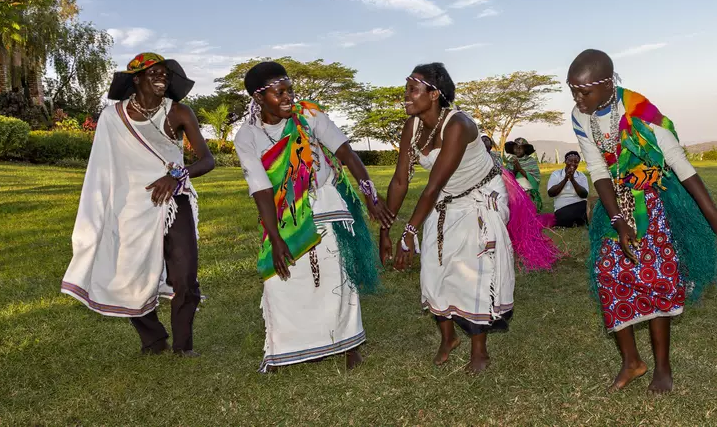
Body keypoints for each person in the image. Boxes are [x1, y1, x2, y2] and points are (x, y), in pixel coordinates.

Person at [567, 49, 717, 394]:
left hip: (653, 202)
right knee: (608, 274)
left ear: (608, 84)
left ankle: (662, 367)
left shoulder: (642, 112)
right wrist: (618, 221)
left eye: (584, 90)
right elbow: (599, 169)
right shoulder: (581, 115)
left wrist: (712, 215)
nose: (577, 98)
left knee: (657, 278)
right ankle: (632, 362)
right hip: (614, 204)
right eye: (572, 90)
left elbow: (678, 162)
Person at [233, 61, 394, 373]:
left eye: (289, 90)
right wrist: (276, 239)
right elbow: (261, 189)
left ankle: (349, 345)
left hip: (326, 205)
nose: (287, 97)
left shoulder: (308, 115)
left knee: (338, 275)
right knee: (281, 283)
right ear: (258, 98)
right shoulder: (248, 136)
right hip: (284, 215)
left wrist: (370, 195)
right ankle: (286, 348)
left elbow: (347, 154)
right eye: (279, 92)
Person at [62, 52, 214, 357]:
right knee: (127, 274)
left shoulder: (180, 112)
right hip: (129, 206)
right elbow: (103, 167)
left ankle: (183, 347)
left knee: (185, 275)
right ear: (136, 79)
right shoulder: (112, 117)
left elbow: (207, 160)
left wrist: (175, 176)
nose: (161, 78)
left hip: (174, 200)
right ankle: (154, 339)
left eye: (165, 74)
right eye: (153, 73)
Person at [380, 63, 519, 374]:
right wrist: (386, 230)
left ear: (433, 94)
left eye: (412, 90)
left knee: (474, 266)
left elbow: (432, 186)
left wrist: (409, 232)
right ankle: (448, 338)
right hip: (446, 197)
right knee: (435, 264)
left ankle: (480, 351)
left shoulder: (458, 125)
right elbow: (400, 180)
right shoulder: (412, 126)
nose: (406, 97)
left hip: (482, 195)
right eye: (406, 90)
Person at [547, 151, 590, 227]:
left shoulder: (581, 176)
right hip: (562, 209)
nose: (573, 164)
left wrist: (572, 180)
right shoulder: (556, 174)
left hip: (580, 206)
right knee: (583, 209)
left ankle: (579, 221)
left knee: (592, 204)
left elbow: (584, 195)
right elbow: (551, 193)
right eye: (570, 161)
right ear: (565, 161)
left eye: (576, 162)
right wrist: (565, 179)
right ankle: (581, 220)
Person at [505, 138, 543, 212]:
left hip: (528, 192)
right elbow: (508, 179)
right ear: (513, 149)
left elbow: (535, 178)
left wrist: (520, 169)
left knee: (528, 212)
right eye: (516, 148)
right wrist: (515, 170)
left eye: (520, 148)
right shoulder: (510, 162)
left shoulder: (531, 161)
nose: (518, 150)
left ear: (525, 149)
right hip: (515, 194)